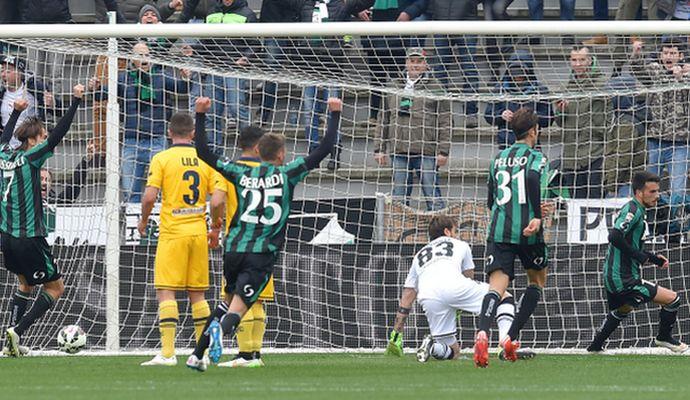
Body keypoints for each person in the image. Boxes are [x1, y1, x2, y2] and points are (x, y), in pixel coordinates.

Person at [185, 95, 342, 372]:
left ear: (258, 151)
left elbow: (204, 152)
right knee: (240, 307)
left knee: (227, 301)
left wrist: (200, 115)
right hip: (261, 253)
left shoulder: (238, 172)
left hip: (233, 247)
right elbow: (325, 148)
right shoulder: (288, 173)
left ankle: (198, 354)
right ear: (280, 155)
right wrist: (335, 114)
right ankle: (223, 333)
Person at [2, 84, 84, 357]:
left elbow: (4, 139)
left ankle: (11, 342)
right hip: (28, 236)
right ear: (34, 140)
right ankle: (18, 330)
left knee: (25, 283)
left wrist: (14, 113)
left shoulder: (4, 156)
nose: (46, 139)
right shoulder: (30, 157)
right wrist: (75, 101)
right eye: (42, 136)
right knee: (56, 287)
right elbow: (59, 135)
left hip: (7, 237)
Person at [385, 215, 535, 362]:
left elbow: (408, 295)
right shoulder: (460, 244)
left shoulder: (419, 255)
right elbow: (468, 276)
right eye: (455, 231)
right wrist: (459, 303)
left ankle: (432, 347)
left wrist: (397, 331)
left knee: (453, 352)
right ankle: (505, 344)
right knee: (503, 296)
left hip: (428, 296)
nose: (456, 235)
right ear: (447, 232)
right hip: (454, 286)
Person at [137, 111, 223, 366]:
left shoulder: (162, 158)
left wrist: (143, 220)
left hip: (173, 233)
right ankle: (202, 352)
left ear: (169, 132)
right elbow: (218, 199)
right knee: (198, 295)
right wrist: (216, 226)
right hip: (198, 232)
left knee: (166, 292)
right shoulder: (205, 159)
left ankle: (167, 353)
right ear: (194, 134)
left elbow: (150, 197)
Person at [474, 108, 548, 368]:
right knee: (536, 282)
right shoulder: (537, 158)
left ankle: (482, 332)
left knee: (496, 288)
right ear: (532, 131)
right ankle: (509, 339)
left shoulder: (497, 159)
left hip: (500, 230)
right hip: (530, 230)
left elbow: (490, 201)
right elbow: (534, 181)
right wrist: (537, 215)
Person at [587, 172, 687, 353]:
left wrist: (653, 258)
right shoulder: (632, 210)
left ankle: (595, 346)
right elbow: (614, 236)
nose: (657, 196)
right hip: (623, 277)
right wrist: (640, 257)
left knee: (624, 308)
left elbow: (630, 244)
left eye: (658, 191)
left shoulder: (639, 210)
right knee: (673, 300)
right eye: (652, 191)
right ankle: (664, 338)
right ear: (639, 192)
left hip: (614, 275)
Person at [90, 41, 189, 203]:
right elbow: (102, 95)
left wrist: (185, 77)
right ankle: (134, 225)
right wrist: (94, 87)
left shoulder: (161, 77)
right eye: (139, 55)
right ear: (132, 59)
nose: (144, 58)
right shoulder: (123, 79)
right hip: (131, 142)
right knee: (130, 192)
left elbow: (182, 88)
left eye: (146, 55)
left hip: (156, 141)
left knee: (164, 188)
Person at [208, 125, 275, 368]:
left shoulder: (230, 170)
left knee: (240, 298)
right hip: (266, 242)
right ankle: (255, 354)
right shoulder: (273, 172)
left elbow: (216, 201)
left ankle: (245, 355)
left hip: (239, 242)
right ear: (259, 147)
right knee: (258, 299)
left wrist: (216, 223)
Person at [374, 48, 450, 211]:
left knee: (433, 195)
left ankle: (441, 230)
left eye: (419, 61)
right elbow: (383, 118)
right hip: (398, 150)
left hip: (426, 151)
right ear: (406, 63)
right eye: (412, 61)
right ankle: (397, 232)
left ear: (426, 65)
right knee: (399, 197)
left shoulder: (436, 87)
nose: (415, 65)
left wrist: (443, 151)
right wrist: (379, 148)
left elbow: (445, 120)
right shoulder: (393, 85)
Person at [630, 36, 690, 219]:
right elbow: (637, 70)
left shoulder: (688, 74)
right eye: (665, 53)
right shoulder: (655, 71)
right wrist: (636, 54)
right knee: (647, 187)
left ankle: (675, 226)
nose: (668, 56)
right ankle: (648, 222)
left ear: (680, 56)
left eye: (673, 53)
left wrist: (682, 80)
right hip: (655, 140)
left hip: (679, 143)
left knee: (678, 189)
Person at [552, 45, 609, 199]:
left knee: (596, 204)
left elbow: (611, 117)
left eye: (582, 60)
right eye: (574, 60)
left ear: (590, 60)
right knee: (576, 205)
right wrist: (559, 110)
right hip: (571, 158)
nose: (578, 64)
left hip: (596, 154)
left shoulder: (603, 84)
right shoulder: (566, 87)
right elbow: (560, 122)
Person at [484, 50, 553, 149]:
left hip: (532, 145)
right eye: (515, 74)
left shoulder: (540, 90)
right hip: (506, 144)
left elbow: (548, 119)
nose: (518, 77)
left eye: (521, 74)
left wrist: (531, 117)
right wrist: (501, 115)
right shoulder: (499, 89)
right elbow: (488, 115)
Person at [0, 55, 59, 141]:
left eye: (8, 71)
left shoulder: (34, 89)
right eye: (2, 70)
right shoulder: (1, 94)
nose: (3, 74)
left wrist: (53, 104)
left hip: (29, 144)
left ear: (19, 73)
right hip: (5, 145)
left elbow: (61, 111)